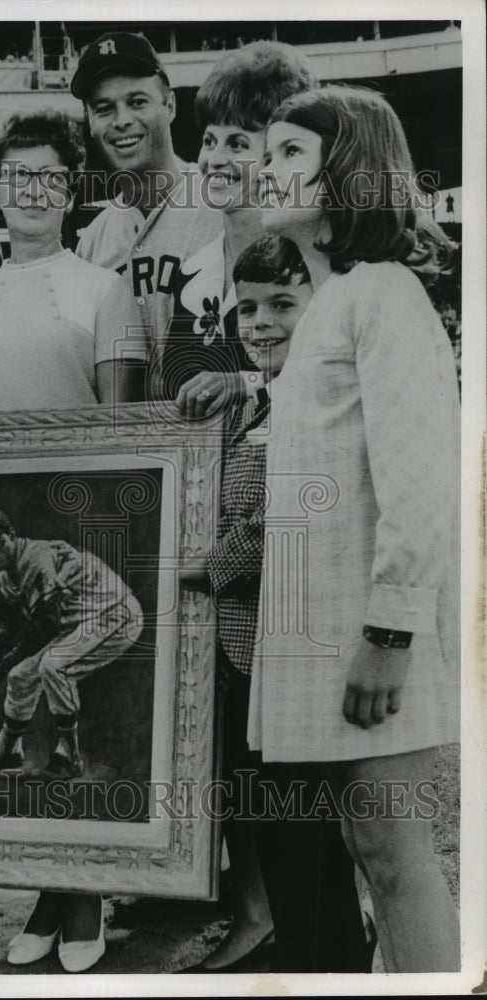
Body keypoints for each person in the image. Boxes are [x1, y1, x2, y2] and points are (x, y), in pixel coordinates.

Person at [251, 85, 460, 971]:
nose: (268, 167)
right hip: (320, 629)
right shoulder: (331, 302)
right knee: (368, 850)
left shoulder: (383, 292)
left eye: (291, 153)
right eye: (269, 152)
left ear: (349, 173)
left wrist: (388, 631)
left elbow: (420, 475)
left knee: (394, 858)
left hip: (368, 635)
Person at [0, 109, 146, 972]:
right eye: (15, 174)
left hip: (85, 524)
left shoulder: (104, 293)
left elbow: (130, 432)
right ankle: (42, 889)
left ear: (72, 189)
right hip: (14, 515)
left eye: (50, 175)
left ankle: (84, 897)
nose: (31, 189)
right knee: (30, 722)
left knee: (74, 716)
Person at [183, 235, 372, 973]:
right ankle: (302, 949)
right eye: (248, 309)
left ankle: (334, 962)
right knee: (273, 825)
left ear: (316, 308)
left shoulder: (325, 395)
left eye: (282, 305)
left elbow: (294, 511)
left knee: (308, 829)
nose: (260, 323)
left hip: (297, 653)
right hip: (242, 652)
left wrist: (210, 568)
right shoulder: (256, 397)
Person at [160, 41, 316, 412]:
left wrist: (246, 384)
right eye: (210, 140)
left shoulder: (311, 265)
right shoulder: (191, 273)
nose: (214, 159)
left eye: (237, 143)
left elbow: (330, 378)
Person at [70, 31, 224, 398]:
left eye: (137, 102)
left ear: (169, 105)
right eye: (104, 108)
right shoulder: (92, 241)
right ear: (90, 122)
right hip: (132, 447)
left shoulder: (222, 206)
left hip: (218, 437)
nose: (121, 120)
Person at [0, 508, 143, 779]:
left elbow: (47, 624)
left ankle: (69, 756)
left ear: (12, 536)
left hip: (115, 612)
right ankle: (7, 752)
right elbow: (11, 618)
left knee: (54, 666)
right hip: (82, 619)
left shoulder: (36, 559)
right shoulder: (6, 571)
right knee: (20, 677)